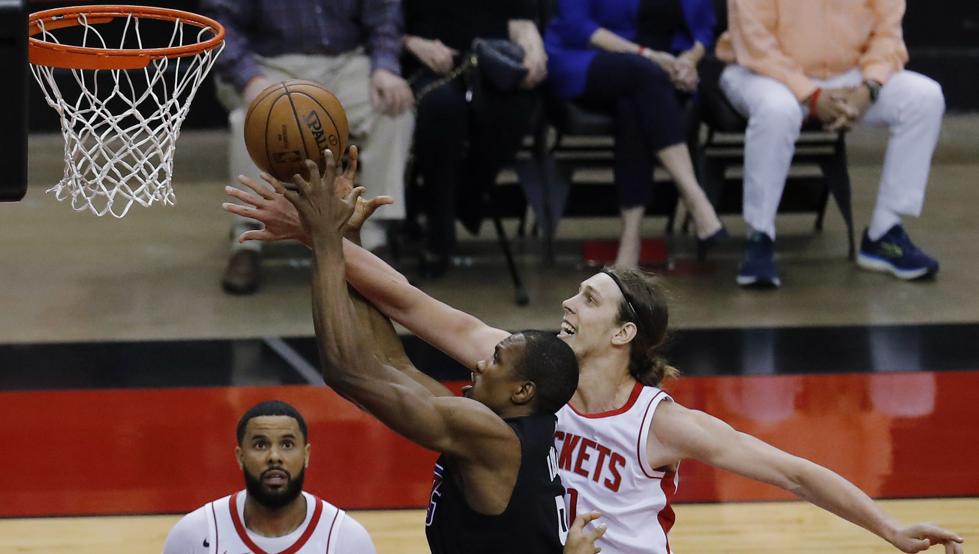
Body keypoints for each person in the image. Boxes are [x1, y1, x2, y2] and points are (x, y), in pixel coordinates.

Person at [222, 179, 965, 554]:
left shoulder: (659, 423)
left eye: (590, 297)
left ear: (624, 335)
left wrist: (889, 529)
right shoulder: (522, 369)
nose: (568, 302)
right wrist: (316, 237)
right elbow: (410, 305)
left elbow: (794, 472)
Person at [277, 150, 582, 553]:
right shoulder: (507, 426)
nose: (478, 362)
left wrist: (324, 239)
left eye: (496, 360)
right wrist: (345, 239)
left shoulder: (491, 437)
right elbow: (391, 364)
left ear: (522, 392)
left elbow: (347, 371)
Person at [714, 0, 945, 287]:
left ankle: (884, 233)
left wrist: (869, 88)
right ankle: (759, 237)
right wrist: (811, 95)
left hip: (848, 75)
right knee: (777, 111)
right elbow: (755, 43)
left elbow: (887, 34)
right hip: (762, 72)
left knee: (925, 97)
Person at [200, 0, 415, 295]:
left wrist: (385, 66)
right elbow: (220, 22)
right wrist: (249, 77)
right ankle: (248, 238)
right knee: (247, 123)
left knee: (394, 111)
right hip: (268, 65)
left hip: (347, 63)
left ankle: (374, 236)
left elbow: (384, 16)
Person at [544, 0, 726, 266]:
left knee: (632, 107)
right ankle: (695, 197)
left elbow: (704, 27)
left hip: (661, 74)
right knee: (644, 77)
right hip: (585, 57)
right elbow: (577, 27)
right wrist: (648, 56)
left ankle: (630, 241)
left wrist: (687, 61)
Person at [402, 0, 547, 276]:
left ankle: (467, 196)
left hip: (494, 63)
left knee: (517, 107)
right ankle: (440, 230)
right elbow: (384, 23)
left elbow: (522, 22)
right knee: (442, 109)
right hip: (432, 65)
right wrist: (412, 43)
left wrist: (533, 51)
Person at [162, 400, 376, 553]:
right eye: (260, 445)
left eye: (287, 444)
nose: (274, 457)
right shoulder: (193, 535)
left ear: (306, 455)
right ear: (240, 456)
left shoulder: (346, 539)